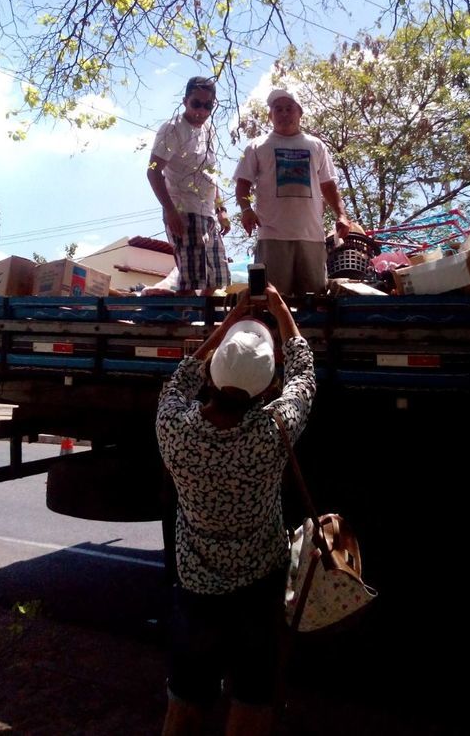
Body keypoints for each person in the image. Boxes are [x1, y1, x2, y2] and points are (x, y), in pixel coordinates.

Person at [155, 284, 315, 736]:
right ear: (266, 384)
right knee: (252, 704)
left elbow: (182, 376)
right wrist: (281, 310)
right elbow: (304, 373)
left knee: (184, 707)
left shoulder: (172, 427)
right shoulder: (273, 432)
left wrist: (229, 322)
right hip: (259, 589)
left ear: (214, 369)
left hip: (195, 590)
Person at [233, 87, 351, 296]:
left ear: (300, 112)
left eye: (289, 108)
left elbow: (328, 185)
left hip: (311, 237)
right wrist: (246, 209)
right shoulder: (257, 146)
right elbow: (242, 182)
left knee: (314, 297)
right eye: (278, 109)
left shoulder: (316, 146)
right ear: (270, 115)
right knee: (271, 299)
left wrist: (341, 214)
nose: (284, 114)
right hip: (272, 236)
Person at [147, 76, 231, 295]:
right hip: (184, 213)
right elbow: (153, 171)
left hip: (208, 215)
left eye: (207, 106)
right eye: (196, 104)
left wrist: (221, 210)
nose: (201, 111)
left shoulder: (209, 132)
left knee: (215, 279)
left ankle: (201, 323)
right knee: (192, 281)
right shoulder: (172, 129)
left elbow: (211, 175)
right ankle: (178, 321)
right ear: (185, 101)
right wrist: (171, 211)